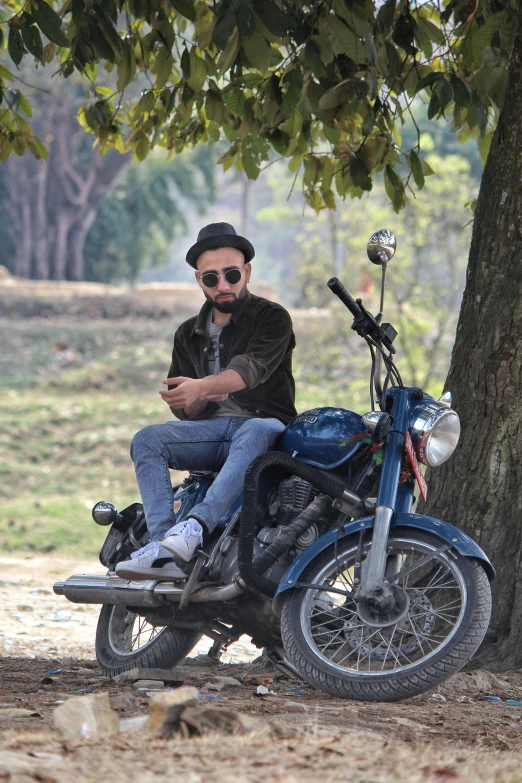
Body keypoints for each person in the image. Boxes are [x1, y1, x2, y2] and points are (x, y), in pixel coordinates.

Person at [116, 222, 297, 580]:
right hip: (212, 432)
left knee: (259, 427)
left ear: (246, 272)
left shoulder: (272, 317)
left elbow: (250, 369)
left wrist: (203, 386)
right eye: (212, 278)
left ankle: (196, 526)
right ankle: (162, 545)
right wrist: (193, 398)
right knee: (146, 440)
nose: (223, 285)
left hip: (265, 427)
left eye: (231, 274)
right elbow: (187, 410)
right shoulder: (187, 332)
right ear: (200, 280)